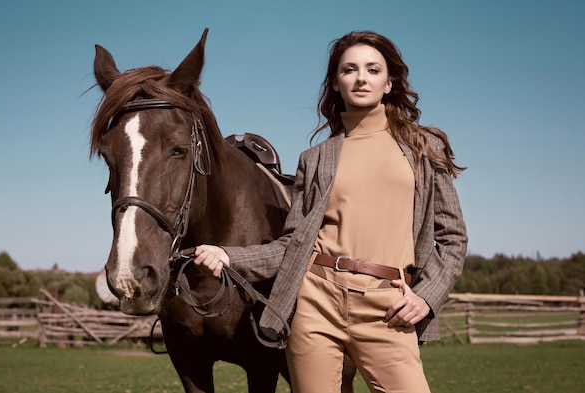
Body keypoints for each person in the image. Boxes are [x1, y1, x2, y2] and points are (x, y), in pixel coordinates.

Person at [194, 30, 467, 393]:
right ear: (336, 83)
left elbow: (452, 238)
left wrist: (427, 295)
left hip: (387, 305)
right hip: (315, 302)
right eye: (349, 70)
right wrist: (228, 255)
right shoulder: (316, 158)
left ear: (389, 82)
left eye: (373, 69)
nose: (361, 78)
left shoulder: (423, 147)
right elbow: (292, 246)